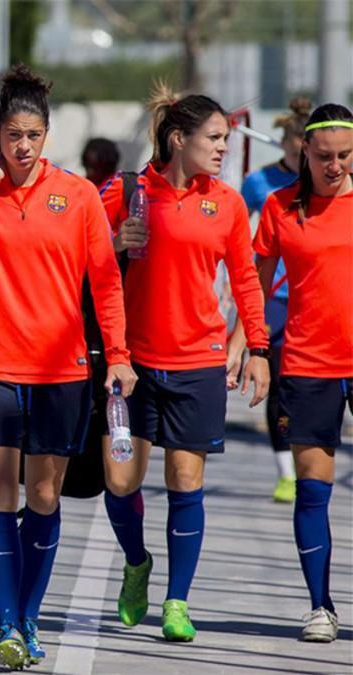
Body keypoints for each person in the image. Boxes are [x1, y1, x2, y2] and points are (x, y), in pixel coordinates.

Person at [0, 64, 135, 669]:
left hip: (60, 373)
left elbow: (105, 283)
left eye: (33, 136)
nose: (22, 147)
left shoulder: (76, 196)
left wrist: (120, 356)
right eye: (12, 136)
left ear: (46, 135)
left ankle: (28, 615)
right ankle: (6, 626)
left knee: (45, 494)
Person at [100, 83, 271, 642]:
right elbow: (77, 251)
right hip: (132, 366)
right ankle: (136, 564)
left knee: (184, 480)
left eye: (225, 138)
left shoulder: (223, 201)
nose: (224, 148)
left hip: (198, 363)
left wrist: (256, 348)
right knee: (121, 481)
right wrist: (113, 240)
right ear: (179, 138)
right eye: (214, 138)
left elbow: (246, 279)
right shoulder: (128, 191)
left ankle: (177, 601)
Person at [247, 103, 352, 643]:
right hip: (309, 363)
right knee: (313, 489)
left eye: (344, 156)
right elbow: (254, 287)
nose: (335, 166)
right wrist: (253, 349)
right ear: (303, 153)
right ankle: (320, 606)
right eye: (325, 156)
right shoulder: (280, 207)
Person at [239, 96, 312, 503]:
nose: (298, 151)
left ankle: (309, 459)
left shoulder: (324, 180)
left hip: (315, 295)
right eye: (293, 143)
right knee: (278, 381)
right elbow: (235, 223)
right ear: (284, 142)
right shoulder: (259, 183)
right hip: (275, 297)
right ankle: (286, 472)